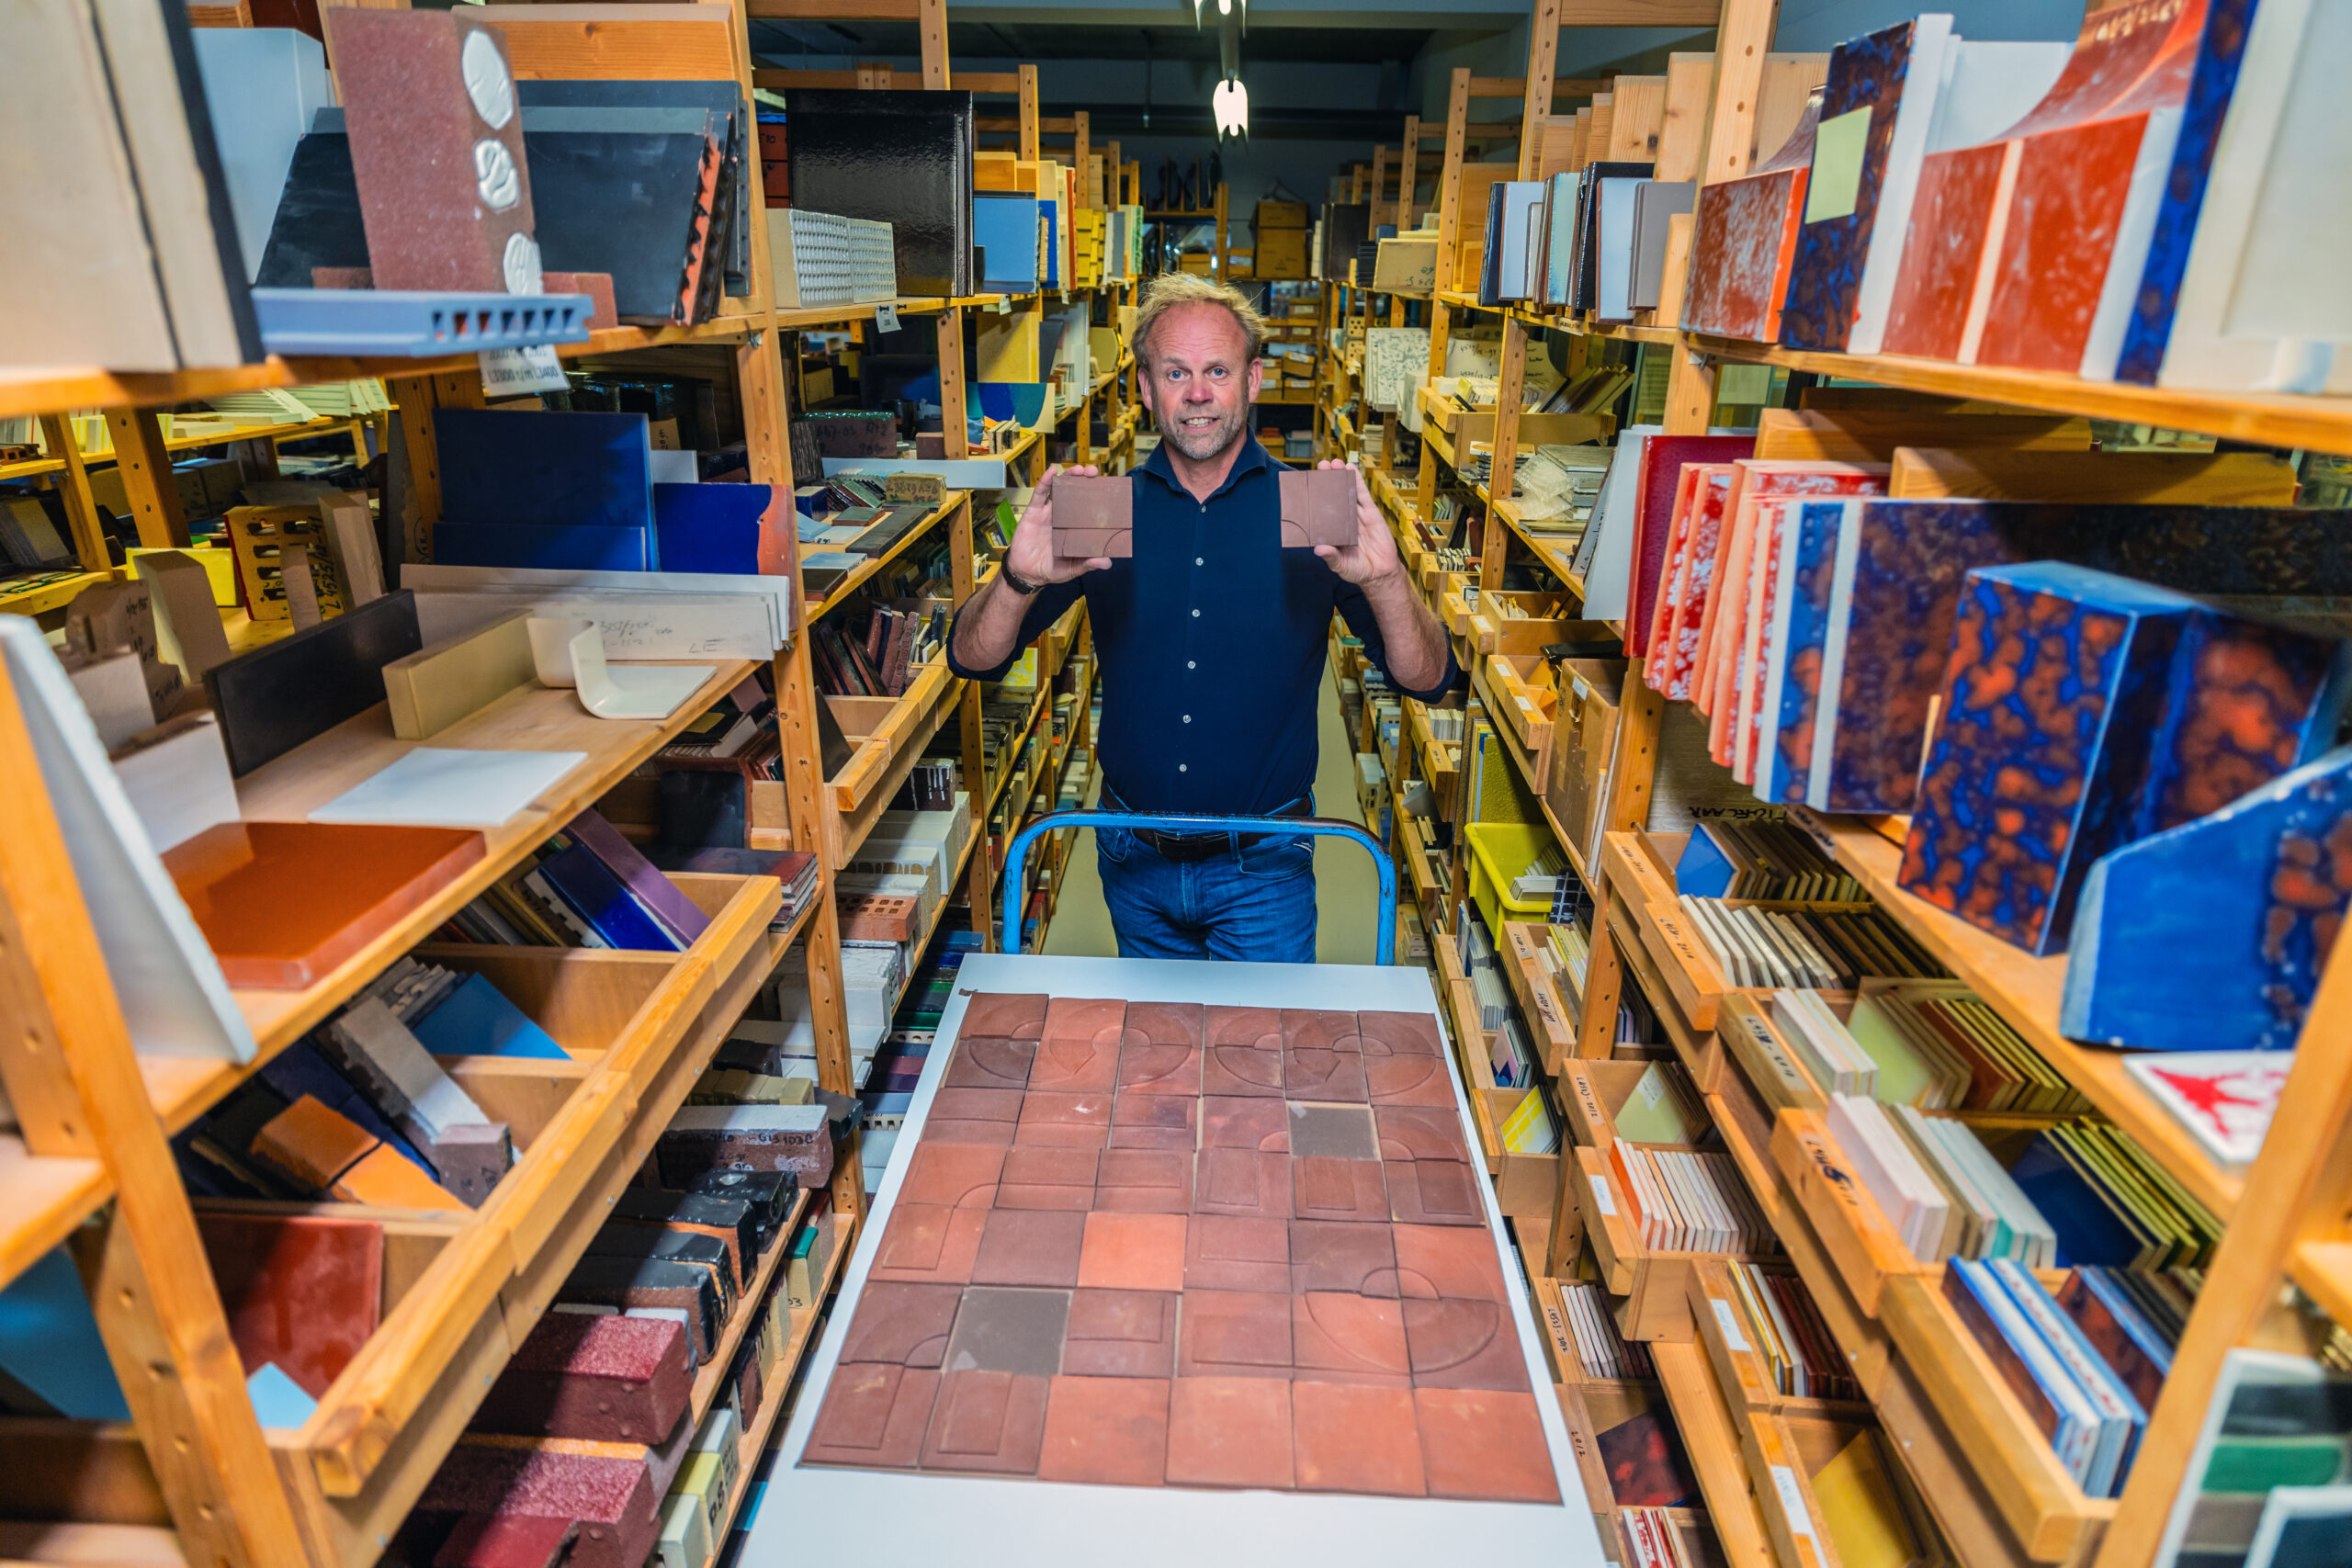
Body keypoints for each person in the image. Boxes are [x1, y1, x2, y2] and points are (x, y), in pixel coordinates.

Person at [947, 274, 1455, 963]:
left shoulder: (1309, 509)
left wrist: (1390, 580)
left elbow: (1429, 679)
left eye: (1217, 370)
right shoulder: (1104, 509)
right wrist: (1015, 578)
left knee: (1259, 1068)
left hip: (1264, 869)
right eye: (1175, 372)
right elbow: (972, 659)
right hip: (1132, 858)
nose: (1196, 393)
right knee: (1158, 1068)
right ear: (1146, 386)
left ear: (1253, 380)